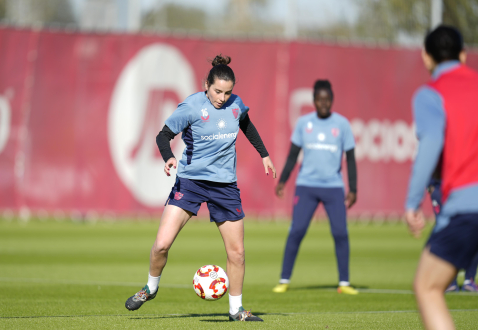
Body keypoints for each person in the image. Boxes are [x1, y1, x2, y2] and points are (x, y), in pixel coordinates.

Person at [124, 55, 276, 322]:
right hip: (191, 183)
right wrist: (168, 157)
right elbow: (163, 135)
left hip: (225, 187)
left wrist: (264, 154)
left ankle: (236, 310)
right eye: (217, 91)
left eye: (227, 92)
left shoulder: (235, 105)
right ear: (206, 84)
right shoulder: (191, 106)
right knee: (161, 245)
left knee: (237, 253)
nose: (222, 97)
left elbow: (246, 125)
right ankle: (150, 287)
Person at [405, 25, 478, 330]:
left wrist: (413, 203)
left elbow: (430, 148)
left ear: (426, 57)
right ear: (464, 54)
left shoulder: (430, 94)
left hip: (468, 205)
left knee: (427, 287)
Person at [272, 80, 358, 295]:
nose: (323, 103)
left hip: (333, 187)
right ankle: (284, 280)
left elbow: (351, 159)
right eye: (319, 100)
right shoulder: (304, 123)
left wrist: (353, 188)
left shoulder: (342, 124)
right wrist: (282, 180)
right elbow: (293, 155)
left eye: (327, 99)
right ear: (314, 101)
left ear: (332, 100)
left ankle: (344, 283)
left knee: (340, 232)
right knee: (297, 231)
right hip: (306, 186)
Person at [428, 178, 478, 293]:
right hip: (443, 189)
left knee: (474, 232)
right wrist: (431, 186)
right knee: (446, 232)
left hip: (463, 188)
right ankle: (452, 281)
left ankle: (468, 280)